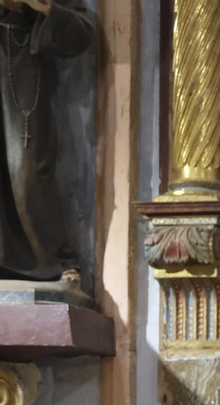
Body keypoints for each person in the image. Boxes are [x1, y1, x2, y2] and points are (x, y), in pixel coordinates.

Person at [0, 0, 93, 284]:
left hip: (22, 64)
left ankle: (55, 258)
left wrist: (44, 7)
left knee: (28, 172)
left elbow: (80, 34)